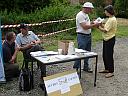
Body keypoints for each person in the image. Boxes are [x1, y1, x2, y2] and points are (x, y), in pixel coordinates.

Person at [16, 23, 46, 89]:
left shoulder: (31, 33)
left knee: (41, 56)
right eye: (25, 29)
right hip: (27, 52)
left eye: (27, 28)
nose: (27, 30)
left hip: (36, 51)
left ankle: (43, 76)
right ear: (21, 30)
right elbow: (19, 48)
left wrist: (35, 42)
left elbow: (39, 40)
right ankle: (44, 52)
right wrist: (28, 46)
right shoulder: (18, 36)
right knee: (39, 49)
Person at [73, 2, 100, 72]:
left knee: (87, 52)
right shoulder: (80, 15)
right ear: (86, 8)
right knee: (80, 52)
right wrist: (95, 25)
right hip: (82, 36)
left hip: (88, 35)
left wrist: (92, 23)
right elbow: (84, 27)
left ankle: (86, 66)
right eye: (90, 9)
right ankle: (76, 68)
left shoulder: (86, 15)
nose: (91, 10)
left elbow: (87, 24)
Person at [98, 5, 117, 78]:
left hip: (110, 39)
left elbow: (105, 30)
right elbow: (106, 27)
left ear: (109, 11)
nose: (104, 12)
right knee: (104, 55)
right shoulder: (110, 19)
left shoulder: (112, 20)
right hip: (106, 39)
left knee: (109, 55)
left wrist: (97, 26)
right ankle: (107, 69)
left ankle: (111, 71)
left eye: (105, 11)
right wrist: (101, 24)